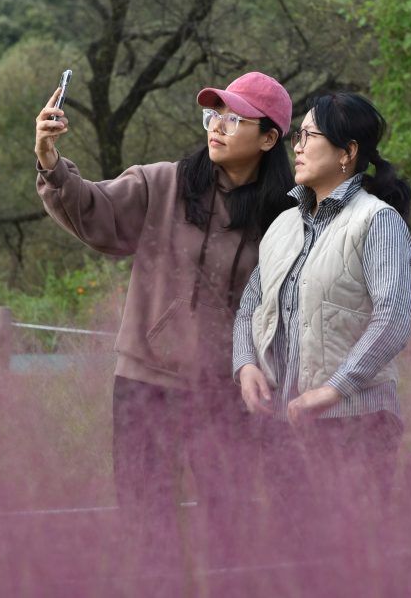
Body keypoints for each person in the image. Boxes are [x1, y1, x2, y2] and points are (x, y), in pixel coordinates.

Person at [34, 72, 294, 572]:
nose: (216, 127)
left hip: (230, 391)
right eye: (213, 115)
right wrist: (50, 160)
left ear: (268, 139)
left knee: (230, 526)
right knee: (145, 524)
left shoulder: (284, 215)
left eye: (233, 120)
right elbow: (94, 209)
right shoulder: (164, 183)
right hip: (145, 383)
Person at [232, 92, 411, 554]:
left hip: (355, 426)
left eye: (308, 135)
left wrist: (333, 389)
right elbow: (250, 304)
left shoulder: (377, 221)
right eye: (297, 135)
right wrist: (246, 364)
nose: (296, 146)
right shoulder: (284, 225)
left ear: (347, 152)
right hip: (284, 428)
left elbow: (393, 317)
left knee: (350, 564)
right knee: (293, 564)